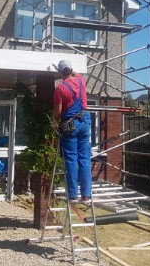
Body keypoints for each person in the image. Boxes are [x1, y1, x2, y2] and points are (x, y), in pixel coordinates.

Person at [53, 60, 92, 204]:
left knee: (71, 159)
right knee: (84, 158)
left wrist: (54, 121)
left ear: (60, 72)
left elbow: (57, 112)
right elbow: (75, 73)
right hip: (85, 122)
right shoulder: (81, 80)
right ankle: (86, 195)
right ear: (70, 70)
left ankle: (73, 196)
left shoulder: (60, 89)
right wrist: (69, 70)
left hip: (70, 125)